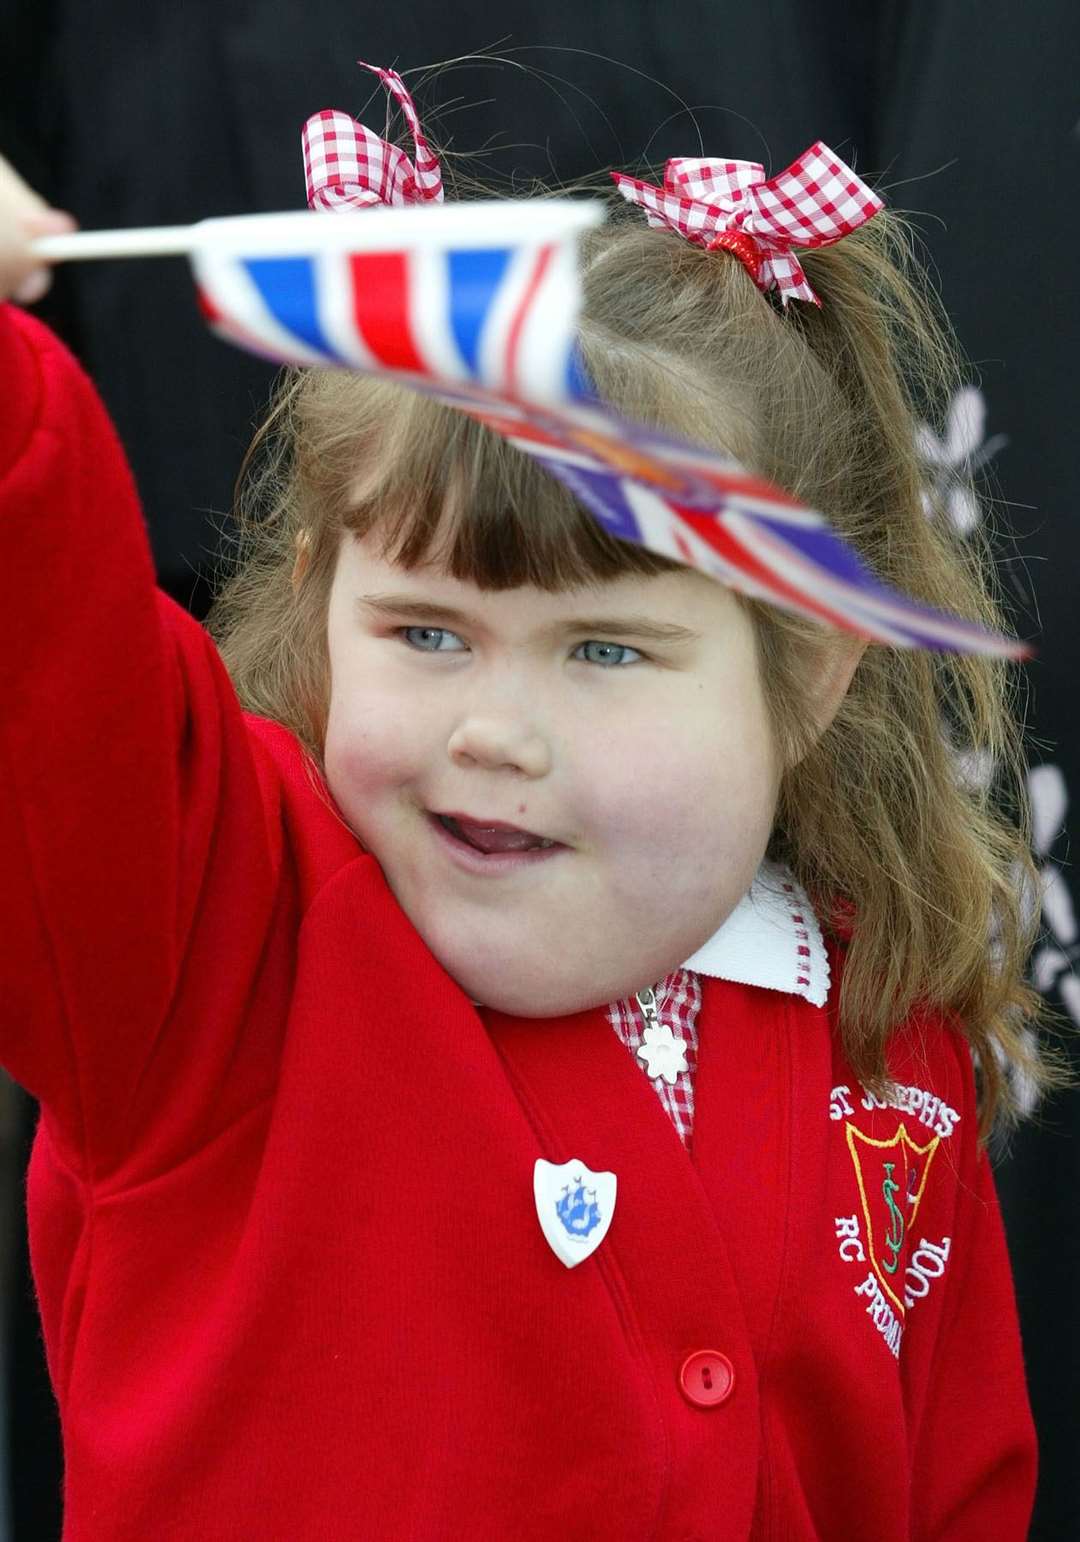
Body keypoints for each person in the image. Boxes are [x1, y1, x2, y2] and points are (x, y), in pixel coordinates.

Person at [0, 63, 1054, 1538]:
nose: (494, 731)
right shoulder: (203, 947)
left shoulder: (893, 1048)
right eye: (427, 631)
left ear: (805, 673)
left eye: (606, 648)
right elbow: (39, 650)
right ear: (322, 601)